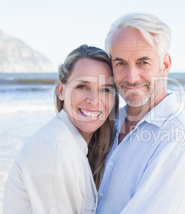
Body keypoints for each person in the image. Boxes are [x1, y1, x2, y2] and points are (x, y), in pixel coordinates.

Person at [96, 13, 185, 213]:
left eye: (143, 62)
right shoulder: (108, 123)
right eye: (121, 63)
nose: (131, 77)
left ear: (165, 65)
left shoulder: (178, 138)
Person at [3, 45, 119, 214]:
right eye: (83, 86)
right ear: (61, 90)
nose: (94, 100)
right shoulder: (56, 148)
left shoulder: (73, 144)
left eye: (105, 89)